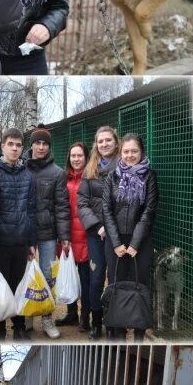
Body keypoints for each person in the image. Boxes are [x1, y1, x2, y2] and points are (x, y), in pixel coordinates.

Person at [101, 133, 158, 341]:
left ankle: (139, 332)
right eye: (126, 151)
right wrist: (116, 243)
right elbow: (106, 210)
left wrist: (134, 243)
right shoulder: (111, 176)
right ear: (120, 153)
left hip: (140, 241)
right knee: (116, 282)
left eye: (134, 151)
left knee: (139, 284)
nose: (130, 155)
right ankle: (117, 331)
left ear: (141, 151)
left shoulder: (149, 176)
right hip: (115, 241)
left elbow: (149, 210)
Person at [0, 127, 37, 340]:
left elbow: (32, 209)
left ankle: (18, 327)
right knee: (0, 287)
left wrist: (32, 242)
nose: (15, 149)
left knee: (18, 286)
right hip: (1, 243)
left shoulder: (28, 174)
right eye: (11, 145)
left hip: (22, 241)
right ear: (3, 146)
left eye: (18, 145)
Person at [24, 125, 70, 339]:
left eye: (45, 144)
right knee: (26, 276)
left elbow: (61, 206)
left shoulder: (57, 173)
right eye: (38, 142)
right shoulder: (21, 168)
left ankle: (47, 318)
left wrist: (65, 236)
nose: (41, 147)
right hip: (24, 232)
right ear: (31, 144)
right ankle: (27, 316)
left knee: (48, 277)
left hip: (48, 233)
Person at [76, 126, 119, 340]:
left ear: (115, 141)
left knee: (114, 279)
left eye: (108, 140)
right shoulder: (89, 169)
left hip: (117, 234)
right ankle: (96, 322)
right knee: (95, 278)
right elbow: (82, 202)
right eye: (100, 141)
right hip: (95, 233)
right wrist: (97, 226)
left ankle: (112, 322)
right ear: (96, 144)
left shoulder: (124, 167)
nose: (104, 144)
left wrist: (110, 227)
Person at [57, 141, 91, 330]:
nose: (76, 159)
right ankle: (72, 313)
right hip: (67, 236)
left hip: (86, 237)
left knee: (86, 280)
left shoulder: (91, 177)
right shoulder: (64, 179)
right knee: (69, 275)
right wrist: (62, 236)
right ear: (69, 158)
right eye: (73, 156)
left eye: (80, 155)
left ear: (86, 157)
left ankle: (86, 317)